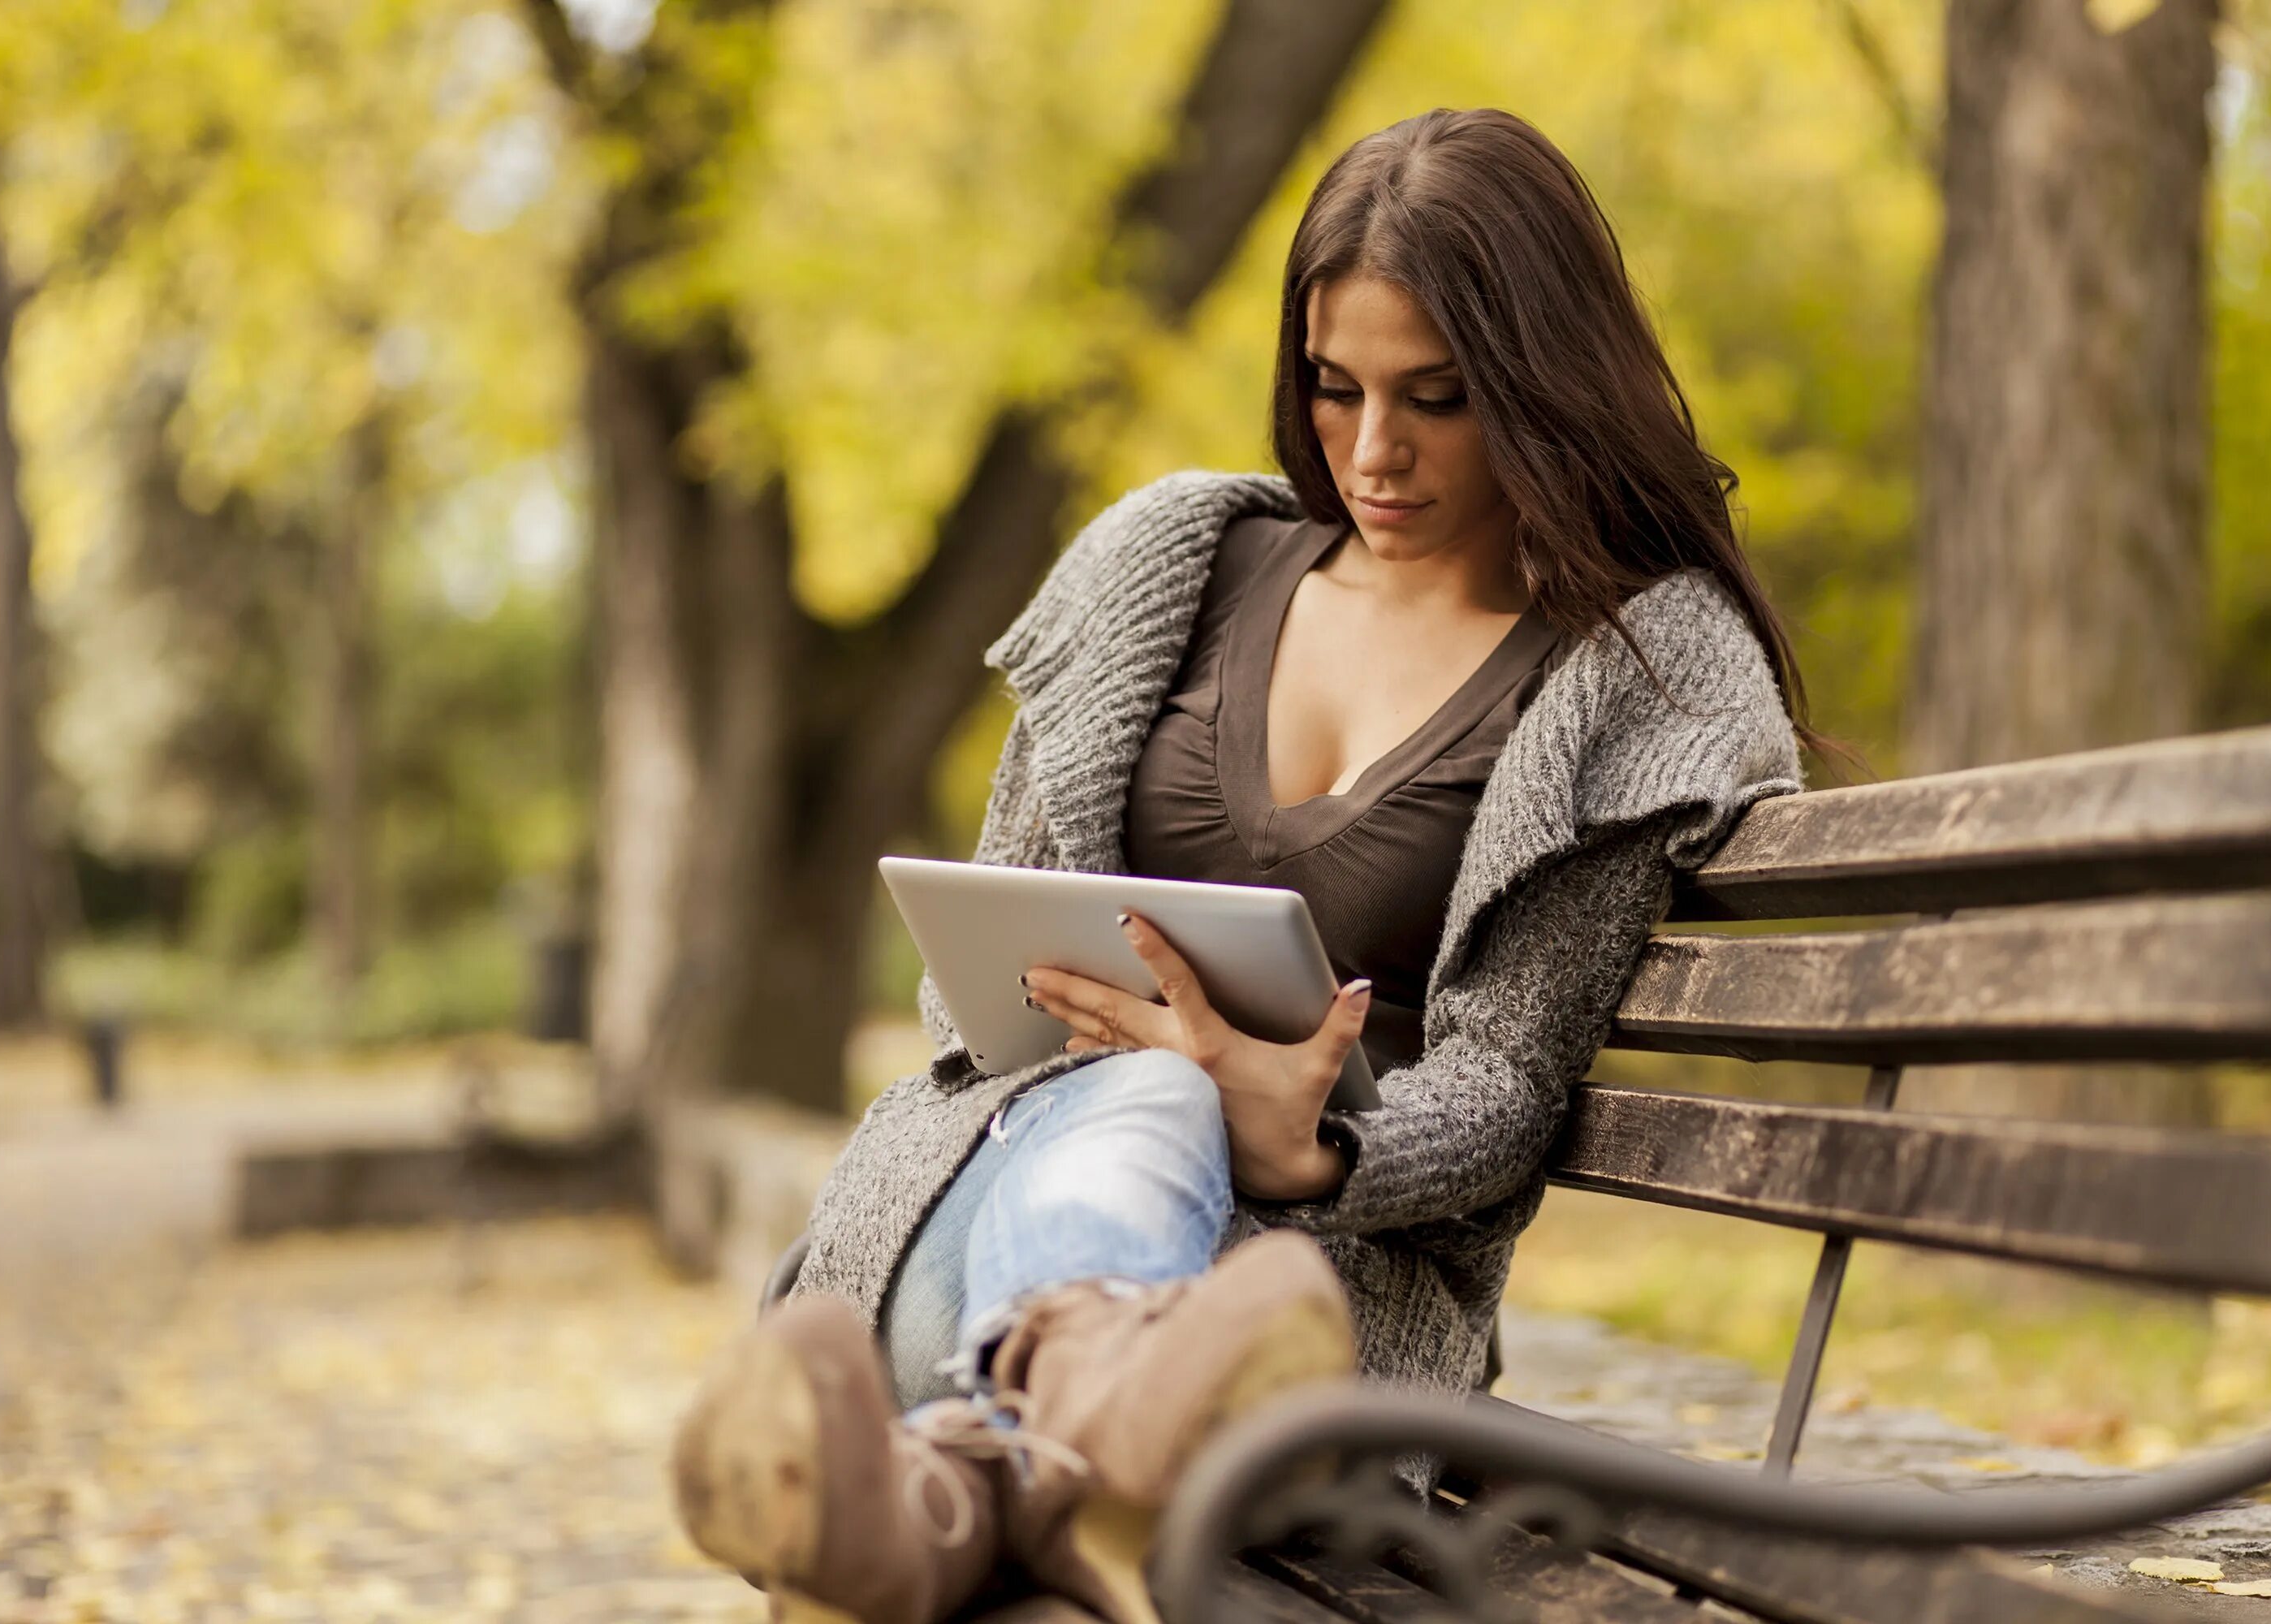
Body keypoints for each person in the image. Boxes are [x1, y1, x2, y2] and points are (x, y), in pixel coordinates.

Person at [669, 106, 1829, 1624]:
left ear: (1547, 390)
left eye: (1439, 398)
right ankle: (1089, 1402)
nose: (1373, 453)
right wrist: (1141, 1067)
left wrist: (1319, 1146)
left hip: (1306, 1304)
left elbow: (1507, 1082)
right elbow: (975, 993)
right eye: (1334, 390)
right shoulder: (1175, 560)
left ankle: (955, 1484)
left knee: (1175, 1134)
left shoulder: (1632, 667)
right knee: (1149, 1092)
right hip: (984, 1203)